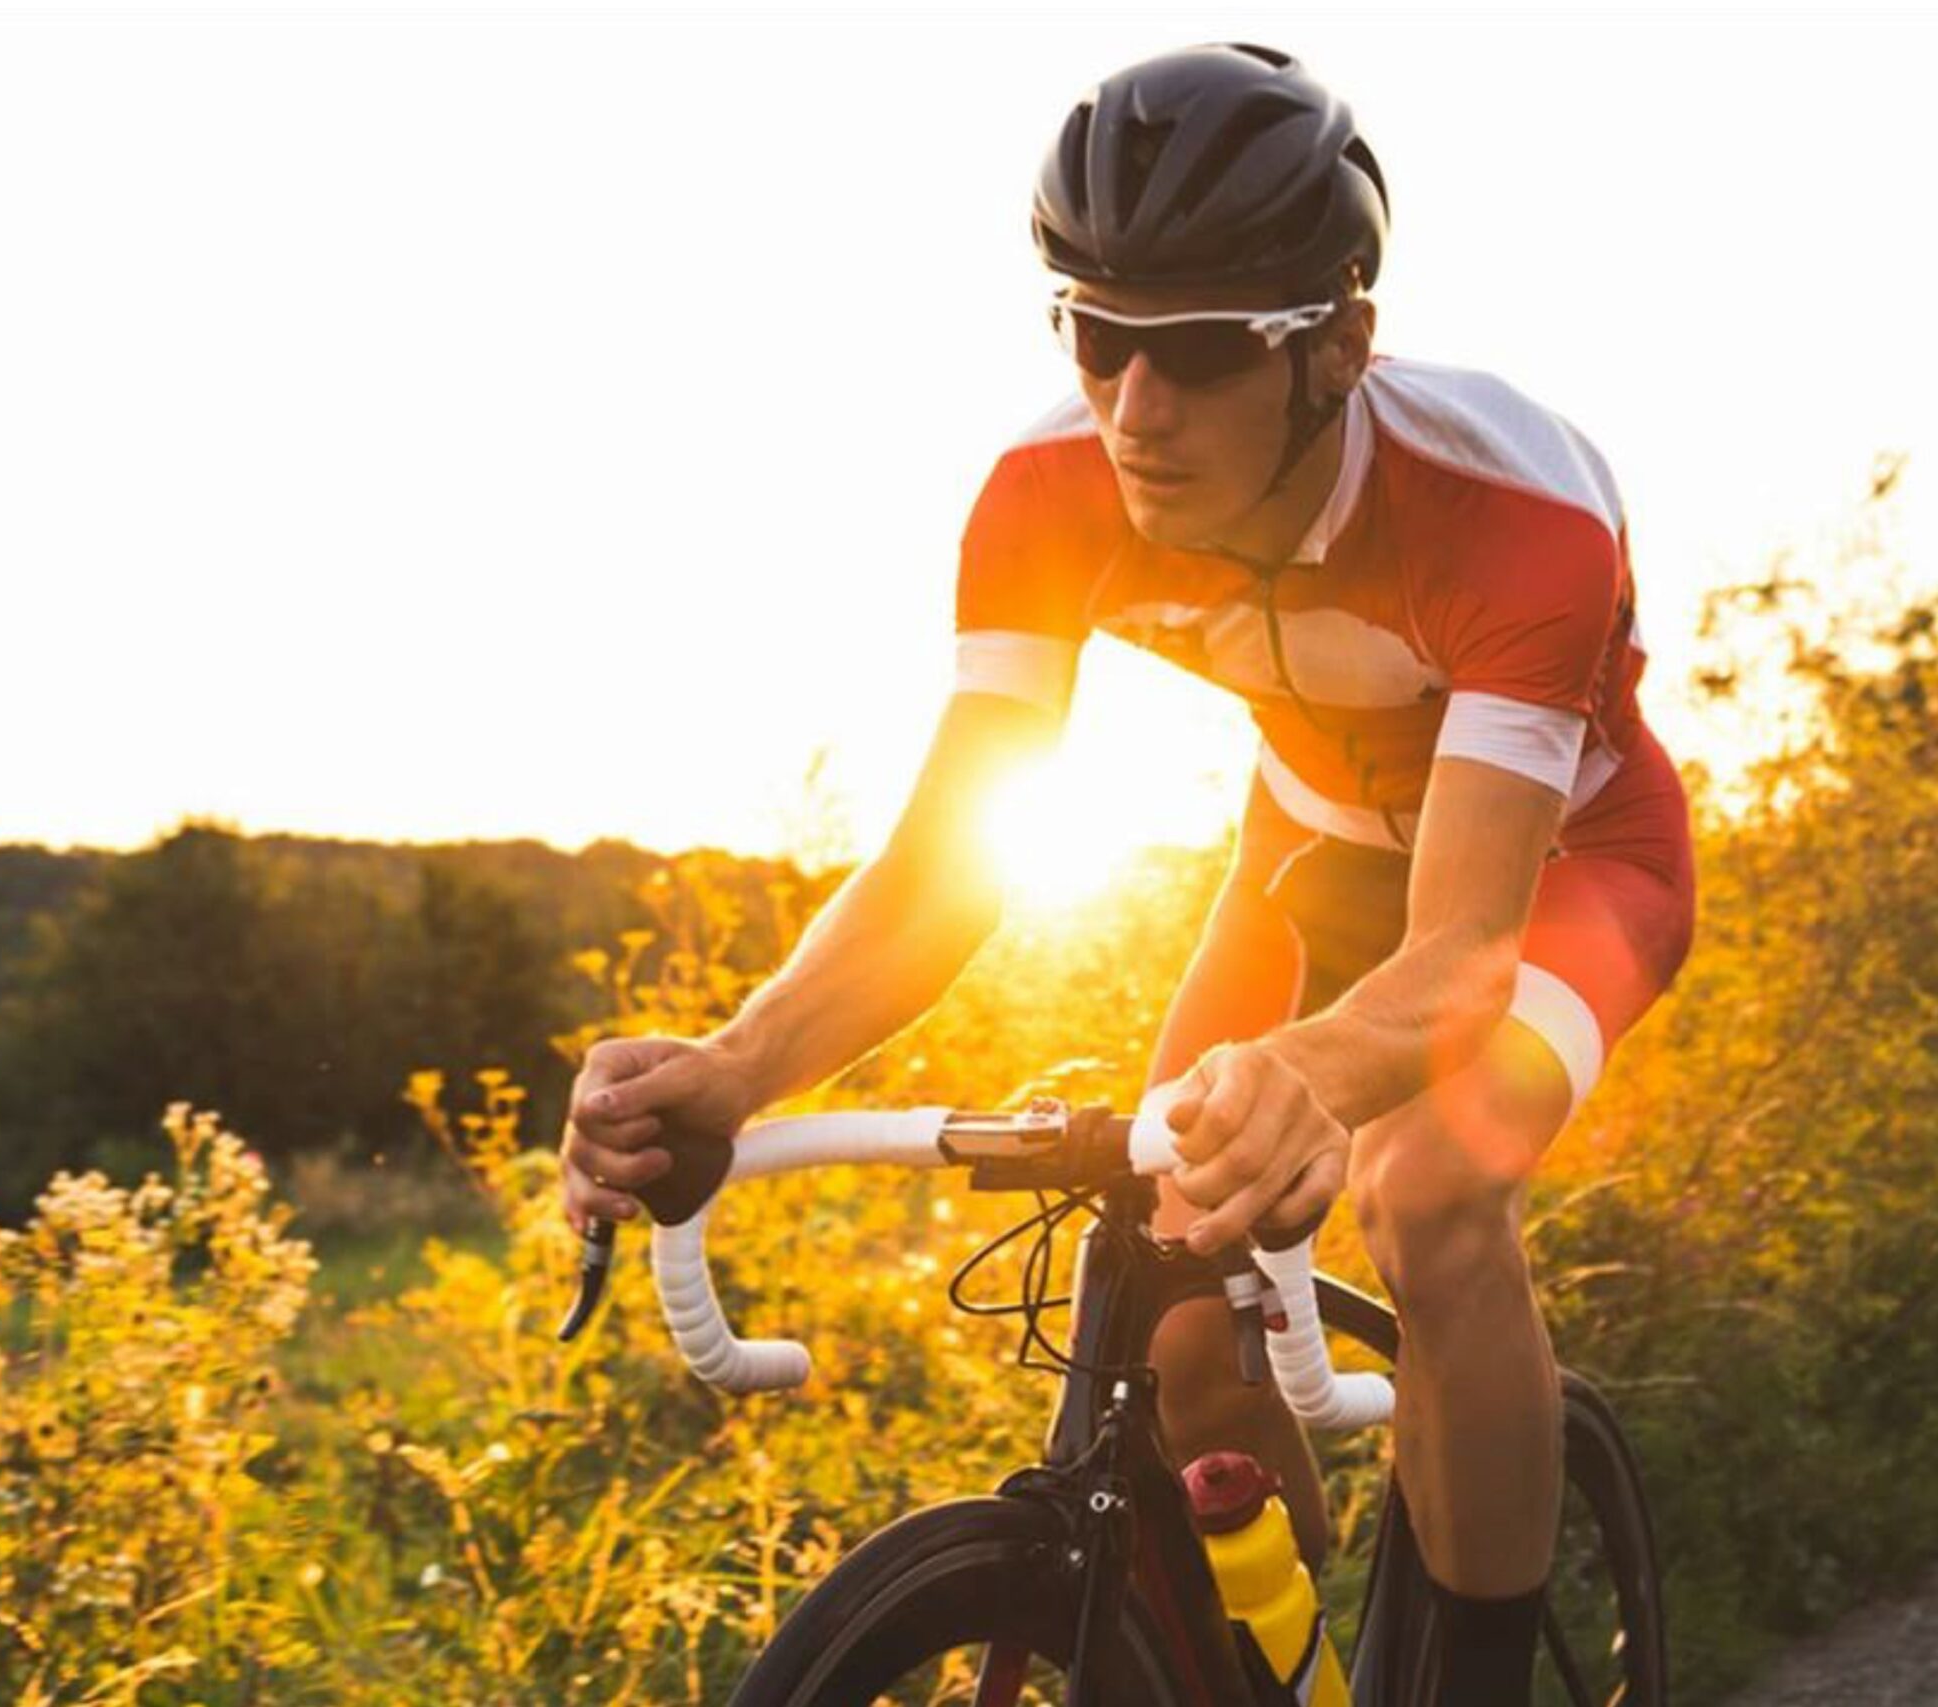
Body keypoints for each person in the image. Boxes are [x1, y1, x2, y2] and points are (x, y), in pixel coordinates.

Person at [559, 41, 1694, 1703]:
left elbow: (1460, 951)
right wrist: (734, 1065)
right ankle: (1265, 1655)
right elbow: (950, 865)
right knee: (1171, 1282)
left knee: (1429, 1195)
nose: (1133, 412)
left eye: (1197, 355)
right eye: (1096, 339)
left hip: (1569, 866)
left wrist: (1311, 1076)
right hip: (1307, 859)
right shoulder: (1045, 494)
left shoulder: (1511, 516)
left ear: (1339, 349)